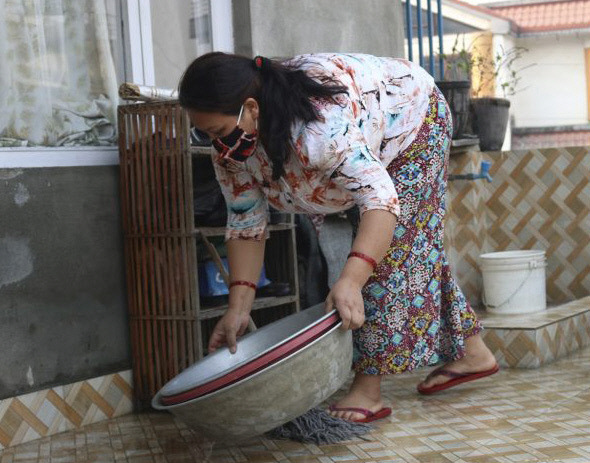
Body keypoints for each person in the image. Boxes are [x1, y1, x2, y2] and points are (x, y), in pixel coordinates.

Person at [178, 52, 499, 423]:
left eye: (217, 132)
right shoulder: (232, 153)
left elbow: (380, 200)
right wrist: (237, 309)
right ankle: (472, 353)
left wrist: (350, 280)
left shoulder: (317, 129)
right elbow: (246, 223)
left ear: (250, 109)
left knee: (387, 258)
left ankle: (367, 390)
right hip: (367, 134)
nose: (216, 144)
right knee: (412, 247)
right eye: (205, 134)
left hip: (414, 120)